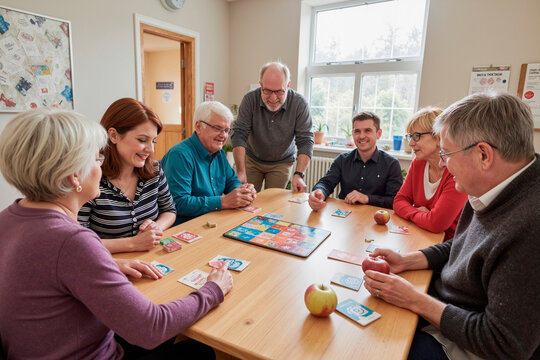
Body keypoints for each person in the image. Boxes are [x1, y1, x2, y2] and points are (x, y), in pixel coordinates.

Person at [0, 108, 233, 359]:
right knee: (200, 351)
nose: (100, 166)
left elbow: (48, 275)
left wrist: (106, 263)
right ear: (74, 176)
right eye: (96, 159)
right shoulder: (73, 242)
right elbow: (152, 327)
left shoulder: (8, 218)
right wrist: (213, 289)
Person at [363, 93, 540, 360]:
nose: (443, 162)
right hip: (448, 308)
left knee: (373, 347)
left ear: (483, 155)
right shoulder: (487, 185)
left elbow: (505, 343)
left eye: (446, 153)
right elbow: (461, 245)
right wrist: (408, 260)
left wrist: (414, 300)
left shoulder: (530, 225)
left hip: (469, 344)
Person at [78, 98, 177, 253]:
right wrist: (133, 244)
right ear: (114, 135)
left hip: (149, 258)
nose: (150, 149)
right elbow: (78, 241)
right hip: (108, 264)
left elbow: (169, 210)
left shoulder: (155, 170)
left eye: (154, 142)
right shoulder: (91, 176)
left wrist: (156, 228)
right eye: (142, 140)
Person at [162, 101, 257, 225]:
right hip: (185, 227)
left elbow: (232, 181)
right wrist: (222, 202)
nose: (223, 135)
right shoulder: (179, 155)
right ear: (198, 127)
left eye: (227, 130)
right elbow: (179, 203)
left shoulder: (219, 153)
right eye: (218, 128)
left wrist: (243, 192)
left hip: (212, 221)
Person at [231, 61, 314, 192]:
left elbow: (305, 140)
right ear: (260, 85)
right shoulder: (250, 99)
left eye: (279, 91)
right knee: (247, 199)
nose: (273, 98)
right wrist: (241, 171)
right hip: (252, 159)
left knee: (273, 202)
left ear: (288, 85)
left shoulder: (299, 103)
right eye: (267, 91)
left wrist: (299, 174)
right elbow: (239, 134)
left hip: (282, 162)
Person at [393, 108, 468, 241]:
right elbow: (399, 201)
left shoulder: (455, 170)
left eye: (417, 136)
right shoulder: (418, 163)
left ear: (438, 137)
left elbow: (437, 223)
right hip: (420, 235)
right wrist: (419, 213)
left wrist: (412, 212)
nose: (411, 143)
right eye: (410, 136)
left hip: (447, 247)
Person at [308, 111, 402, 211]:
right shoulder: (342, 160)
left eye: (367, 130)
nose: (361, 136)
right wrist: (319, 192)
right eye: (357, 131)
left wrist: (367, 198)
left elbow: (395, 201)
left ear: (378, 134)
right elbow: (326, 183)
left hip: (376, 220)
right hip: (345, 218)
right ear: (353, 134)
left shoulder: (391, 164)